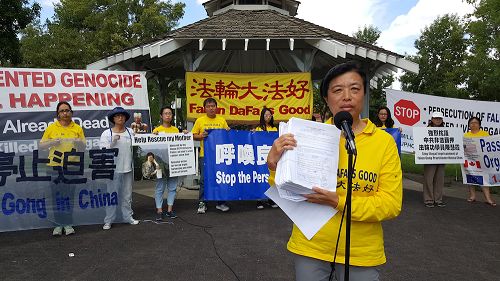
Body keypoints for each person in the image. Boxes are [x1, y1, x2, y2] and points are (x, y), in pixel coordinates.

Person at [266, 61, 402, 281]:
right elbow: (286, 189)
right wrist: (273, 165)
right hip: (311, 246)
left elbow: (390, 204)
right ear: (327, 99)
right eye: (337, 90)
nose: (346, 96)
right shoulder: (305, 135)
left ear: (364, 95)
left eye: (355, 89)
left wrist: (338, 201)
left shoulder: (384, 143)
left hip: (361, 252)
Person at [40, 101, 86, 236]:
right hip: (54, 166)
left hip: (72, 166)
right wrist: (52, 142)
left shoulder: (77, 128)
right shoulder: (51, 128)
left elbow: (83, 147)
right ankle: (58, 225)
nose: (65, 113)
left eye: (67, 110)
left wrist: (79, 142)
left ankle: (68, 223)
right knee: (56, 196)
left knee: (70, 195)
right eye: (62, 111)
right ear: (58, 114)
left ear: (71, 112)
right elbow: (41, 145)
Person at [99, 107, 139, 230]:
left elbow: (141, 144)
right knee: (112, 194)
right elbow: (103, 151)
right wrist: (113, 142)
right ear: (113, 118)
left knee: (127, 195)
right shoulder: (107, 133)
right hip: (113, 169)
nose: (120, 117)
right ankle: (109, 220)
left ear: (126, 118)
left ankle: (128, 216)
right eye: (117, 116)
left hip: (128, 168)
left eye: (122, 115)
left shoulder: (130, 132)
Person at [191, 97, 230, 214]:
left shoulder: (222, 120)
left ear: (216, 107)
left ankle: (221, 202)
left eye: (213, 106)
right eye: (208, 106)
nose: (211, 108)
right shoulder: (200, 121)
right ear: (205, 108)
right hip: (205, 155)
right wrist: (201, 136)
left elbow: (227, 136)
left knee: (220, 178)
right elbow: (193, 135)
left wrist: (228, 131)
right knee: (204, 180)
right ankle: (203, 202)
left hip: (220, 156)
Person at [152, 106, 182, 220]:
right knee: (160, 187)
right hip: (160, 163)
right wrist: (153, 137)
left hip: (174, 162)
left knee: (172, 187)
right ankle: (159, 210)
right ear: (161, 116)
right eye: (165, 113)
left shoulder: (176, 130)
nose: (168, 115)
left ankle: (170, 210)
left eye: (170, 113)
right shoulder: (156, 130)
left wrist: (184, 134)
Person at [464, 117, 496, 207]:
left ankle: (488, 198)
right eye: (471, 123)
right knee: (470, 178)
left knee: (484, 179)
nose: (473, 124)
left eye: (476, 123)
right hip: (470, 160)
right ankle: (472, 196)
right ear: (469, 125)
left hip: (482, 160)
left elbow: (489, 147)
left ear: (479, 124)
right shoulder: (466, 135)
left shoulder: (484, 134)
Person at [254, 107, 278, 209]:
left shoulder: (275, 129)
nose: (268, 117)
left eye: (269, 115)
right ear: (262, 117)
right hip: (261, 158)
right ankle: (259, 200)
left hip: (272, 158)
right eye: (266, 115)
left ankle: (271, 199)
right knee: (260, 177)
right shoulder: (258, 129)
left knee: (270, 178)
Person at [423, 111, 447, 208]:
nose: (438, 120)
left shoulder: (446, 131)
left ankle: (438, 199)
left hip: (441, 158)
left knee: (439, 179)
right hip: (429, 158)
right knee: (428, 179)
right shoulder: (426, 130)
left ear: (442, 120)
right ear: (432, 119)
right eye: (436, 118)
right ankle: (429, 199)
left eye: (440, 118)